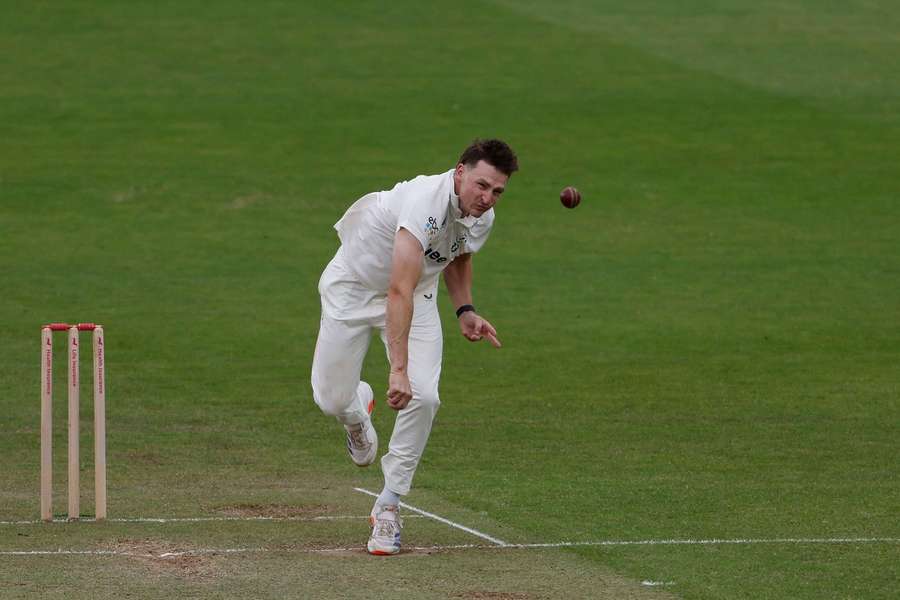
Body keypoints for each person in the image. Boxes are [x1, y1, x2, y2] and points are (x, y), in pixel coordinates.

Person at [311, 138, 518, 555]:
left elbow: (458, 255)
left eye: (497, 191)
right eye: (481, 185)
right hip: (355, 287)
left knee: (424, 396)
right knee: (331, 401)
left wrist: (465, 310)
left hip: (416, 294)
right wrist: (397, 370)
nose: (487, 197)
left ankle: (389, 504)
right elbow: (397, 289)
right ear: (459, 171)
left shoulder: (483, 215)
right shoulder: (425, 201)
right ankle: (356, 415)